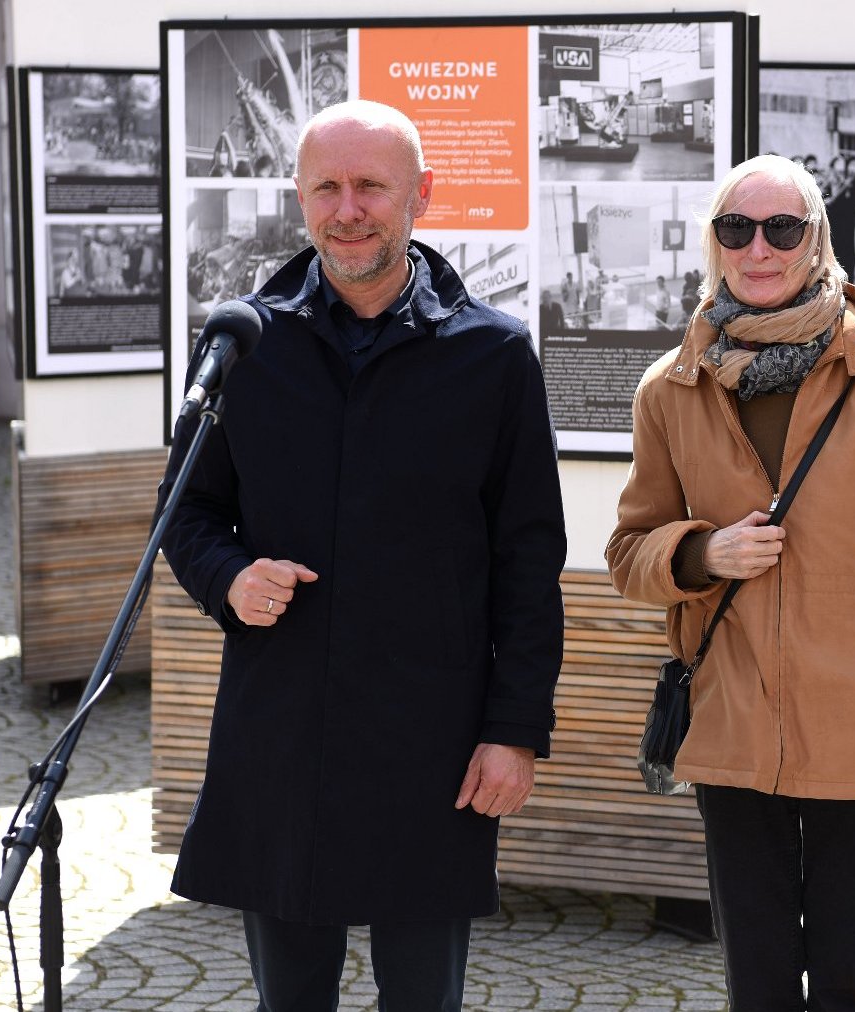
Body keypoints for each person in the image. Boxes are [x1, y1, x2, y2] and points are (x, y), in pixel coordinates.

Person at [158, 99, 567, 1011]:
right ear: (300, 199)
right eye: (326, 188)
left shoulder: (494, 357)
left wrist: (515, 731)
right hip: (283, 732)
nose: (348, 209)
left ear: (421, 194)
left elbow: (529, 563)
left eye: (370, 186)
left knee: (424, 1000)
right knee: (289, 1001)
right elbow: (181, 515)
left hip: (434, 739)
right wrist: (230, 578)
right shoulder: (243, 344)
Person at [606, 153, 855, 1010]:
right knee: (759, 972)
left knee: (854, 972)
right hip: (735, 721)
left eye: (783, 228)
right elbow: (630, 551)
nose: (759, 249)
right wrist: (704, 554)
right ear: (714, 243)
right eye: (737, 229)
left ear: (817, 240)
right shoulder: (671, 388)